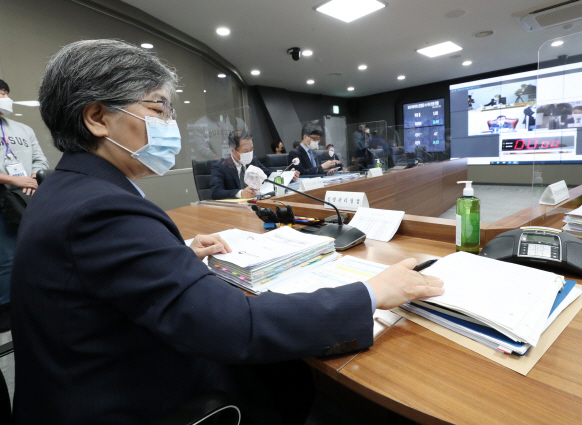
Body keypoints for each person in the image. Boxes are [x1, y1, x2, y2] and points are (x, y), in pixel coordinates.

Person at [11, 39, 445, 424]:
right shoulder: (101, 208)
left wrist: (175, 252)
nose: (170, 124)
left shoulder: (67, 187)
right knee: (284, 371)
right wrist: (374, 292)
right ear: (96, 118)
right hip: (123, 400)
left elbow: (95, 274)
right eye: (159, 108)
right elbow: (236, 326)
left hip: (78, 376)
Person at [0, 79, 49, 331]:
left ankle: (34, 300)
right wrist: (11, 179)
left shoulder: (23, 129)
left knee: (32, 250)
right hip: (2, 200)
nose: (4, 97)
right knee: (5, 260)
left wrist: (32, 178)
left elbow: (40, 159)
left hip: (26, 198)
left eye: (5, 92)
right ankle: (8, 314)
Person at [210, 130, 297, 200]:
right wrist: (241, 193)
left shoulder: (253, 160)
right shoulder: (221, 166)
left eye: (251, 149)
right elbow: (216, 192)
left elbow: (268, 174)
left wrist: (288, 175)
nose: (249, 153)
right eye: (245, 150)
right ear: (232, 151)